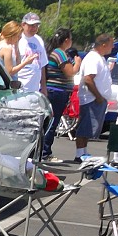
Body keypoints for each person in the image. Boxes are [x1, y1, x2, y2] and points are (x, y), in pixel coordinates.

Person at [75, 33, 115, 162]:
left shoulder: (100, 58)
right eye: (111, 44)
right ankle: (79, 154)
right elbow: (88, 79)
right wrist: (98, 96)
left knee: (89, 128)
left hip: (96, 99)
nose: (112, 47)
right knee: (85, 127)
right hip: (91, 99)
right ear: (103, 45)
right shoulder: (93, 58)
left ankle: (83, 152)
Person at [41, 28, 78, 159]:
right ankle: (45, 152)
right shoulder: (60, 53)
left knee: (49, 122)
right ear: (66, 40)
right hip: (57, 92)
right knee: (52, 123)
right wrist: (77, 63)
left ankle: (43, 150)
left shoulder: (53, 52)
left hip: (54, 91)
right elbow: (70, 72)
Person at [14, 12, 46, 94]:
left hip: (35, 90)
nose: (34, 28)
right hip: (20, 88)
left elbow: (42, 66)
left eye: (36, 26)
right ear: (23, 24)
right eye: (31, 25)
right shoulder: (17, 39)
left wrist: (44, 88)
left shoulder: (39, 40)